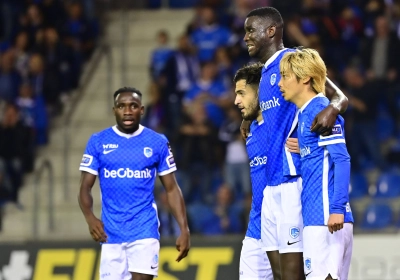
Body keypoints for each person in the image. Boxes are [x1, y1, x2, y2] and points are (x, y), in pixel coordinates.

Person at [242, 7, 349, 280]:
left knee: (295, 274)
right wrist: (249, 119)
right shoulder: (265, 74)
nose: (246, 37)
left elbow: (337, 96)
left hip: (293, 181)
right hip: (271, 186)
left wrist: (333, 107)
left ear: (271, 31)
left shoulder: (291, 61)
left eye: (250, 30)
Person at [78, 87, 190, 280]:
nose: (127, 111)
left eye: (133, 106)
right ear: (114, 110)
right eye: (121, 106)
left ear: (142, 110)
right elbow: (85, 187)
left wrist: (184, 228)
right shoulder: (98, 141)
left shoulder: (157, 142)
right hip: (111, 233)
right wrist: (90, 217)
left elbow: (171, 188)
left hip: (144, 229)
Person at [278, 48, 354, 280]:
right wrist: (306, 150)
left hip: (326, 218)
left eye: (285, 76)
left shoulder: (322, 111)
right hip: (317, 217)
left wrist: (337, 209)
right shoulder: (304, 114)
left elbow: (342, 159)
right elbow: (323, 159)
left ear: (305, 78)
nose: (280, 83)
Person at [234, 62, 273, 279]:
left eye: (241, 93)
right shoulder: (250, 132)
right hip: (256, 228)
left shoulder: (284, 126)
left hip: (285, 225)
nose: (236, 101)